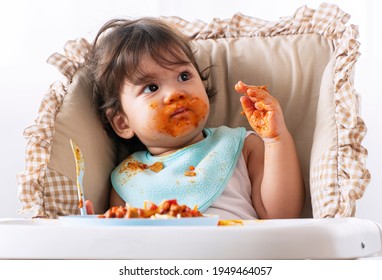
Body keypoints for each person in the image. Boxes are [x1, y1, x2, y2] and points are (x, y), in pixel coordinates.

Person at [85, 17, 305, 219]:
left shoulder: (243, 147)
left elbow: (281, 215)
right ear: (123, 122)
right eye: (151, 87)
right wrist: (101, 229)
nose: (175, 93)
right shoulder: (126, 180)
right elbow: (128, 246)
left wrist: (276, 139)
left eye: (183, 76)